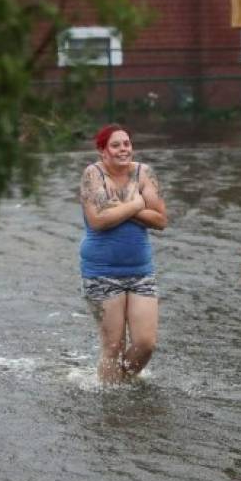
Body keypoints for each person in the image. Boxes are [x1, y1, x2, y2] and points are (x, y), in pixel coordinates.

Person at [79, 124, 167, 383]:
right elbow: (98, 220)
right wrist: (140, 203)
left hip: (141, 271)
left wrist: (126, 207)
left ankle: (121, 383)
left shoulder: (144, 173)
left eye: (126, 143)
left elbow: (161, 220)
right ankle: (110, 400)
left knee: (145, 343)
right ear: (102, 152)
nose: (123, 149)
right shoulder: (92, 175)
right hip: (101, 272)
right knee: (113, 346)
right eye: (115, 145)